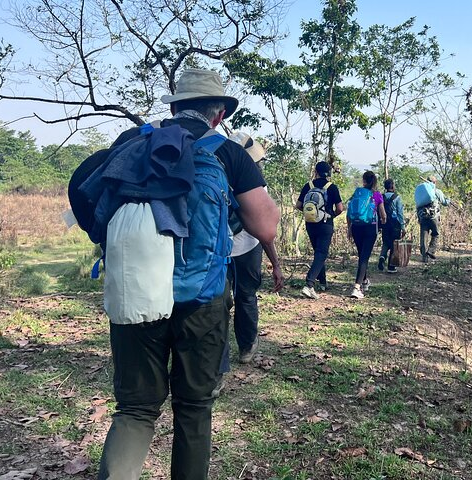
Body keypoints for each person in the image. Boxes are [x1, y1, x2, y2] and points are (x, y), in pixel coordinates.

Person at [98, 68, 280, 480]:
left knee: (136, 410)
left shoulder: (133, 141)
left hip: (136, 294)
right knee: (194, 409)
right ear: (218, 115)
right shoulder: (228, 151)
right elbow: (266, 227)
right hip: (201, 298)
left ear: (175, 106)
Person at [214, 133, 284, 395]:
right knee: (246, 296)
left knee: (217, 305)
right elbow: (264, 230)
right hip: (248, 248)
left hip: (217, 249)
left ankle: (217, 367)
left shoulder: (211, 170)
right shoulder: (254, 182)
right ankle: (246, 348)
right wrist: (275, 263)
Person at [295, 161, 343, 299]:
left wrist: (310, 213)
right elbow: (340, 208)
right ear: (329, 173)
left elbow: (298, 205)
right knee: (321, 253)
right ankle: (309, 285)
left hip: (311, 224)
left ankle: (322, 282)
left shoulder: (308, 186)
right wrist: (331, 215)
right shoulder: (332, 187)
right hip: (326, 224)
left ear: (315, 172)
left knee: (318, 253)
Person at [346, 170, 386, 299]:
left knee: (361, 255)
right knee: (364, 258)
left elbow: (349, 211)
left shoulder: (357, 193)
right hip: (370, 228)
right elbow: (383, 215)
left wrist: (349, 228)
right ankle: (357, 288)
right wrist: (383, 222)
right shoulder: (377, 195)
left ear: (363, 181)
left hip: (356, 227)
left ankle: (364, 281)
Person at [414, 175, 450, 263]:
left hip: (423, 217)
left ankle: (424, 257)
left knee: (424, 236)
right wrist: (448, 200)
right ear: (434, 182)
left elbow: (418, 205)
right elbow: (445, 203)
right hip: (434, 217)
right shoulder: (437, 191)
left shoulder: (421, 192)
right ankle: (431, 251)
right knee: (436, 234)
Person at [378, 178, 406, 273]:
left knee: (386, 242)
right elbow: (400, 213)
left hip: (384, 223)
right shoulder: (397, 197)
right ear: (392, 186)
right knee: (394, 244)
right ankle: (391, 267)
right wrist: (403, 227)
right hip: (395, 225)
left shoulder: (381, 197)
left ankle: (382, 256)